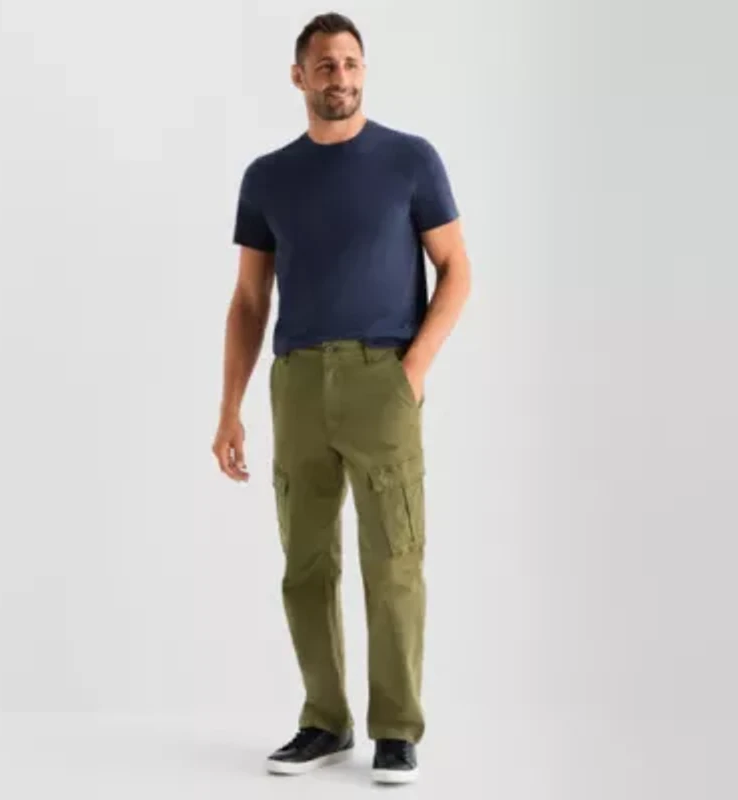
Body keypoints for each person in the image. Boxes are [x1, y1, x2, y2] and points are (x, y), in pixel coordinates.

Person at [212, 11, 472, 786]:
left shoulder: (409, 160)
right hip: (296, 381)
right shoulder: (267, 178)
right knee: (305, 564)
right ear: (299, 76)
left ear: (365, 71)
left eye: (351, 63)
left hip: (381, 376)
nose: (341, 77)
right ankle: (324, 721)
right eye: (325, 65)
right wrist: (229, 408)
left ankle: (396, 730)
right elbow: (249, 301)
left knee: (393, 560)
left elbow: (457, 268)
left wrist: (412, 369)